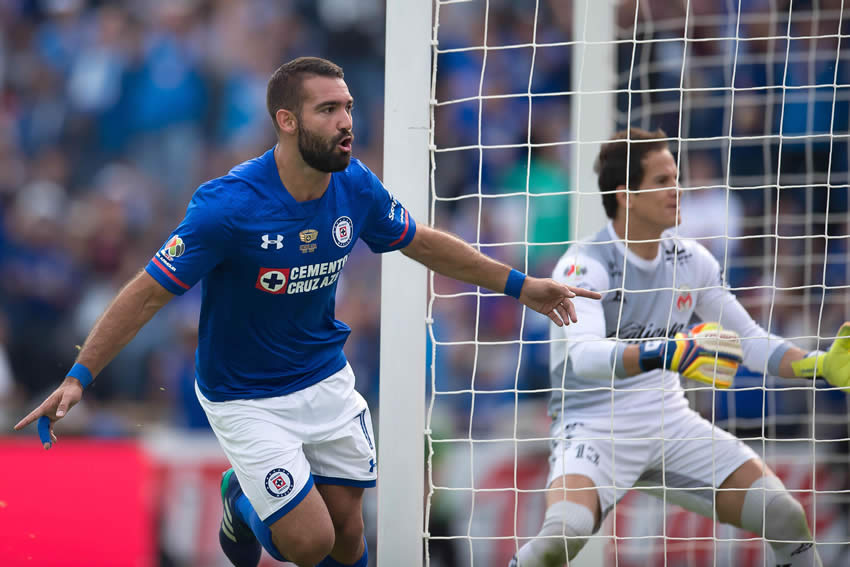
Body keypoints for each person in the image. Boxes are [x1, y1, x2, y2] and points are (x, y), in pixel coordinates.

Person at [13, 56, 600, 567]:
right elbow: (146, 292)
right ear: (286, 122)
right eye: (327, 110)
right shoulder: (228, 207)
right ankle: (241, 501)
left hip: (322, 379)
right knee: (311, 542)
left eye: (347, 108)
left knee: (348, 538)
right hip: (244, 396)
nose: (346, 121)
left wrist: (521, 286)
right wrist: (78, 377)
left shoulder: (355, 186)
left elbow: (419, 240)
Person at [510, 127, 850, 567]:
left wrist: (817, 364)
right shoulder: (584, 264)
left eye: (677, 178)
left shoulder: (692, 260)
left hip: (669, 422)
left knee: (784, 514)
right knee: (562, 537)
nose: (677, 190)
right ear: (625, 196)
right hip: (595, 427)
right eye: (662, 181)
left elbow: (749, 341)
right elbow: (584, 358)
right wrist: (668, 351)